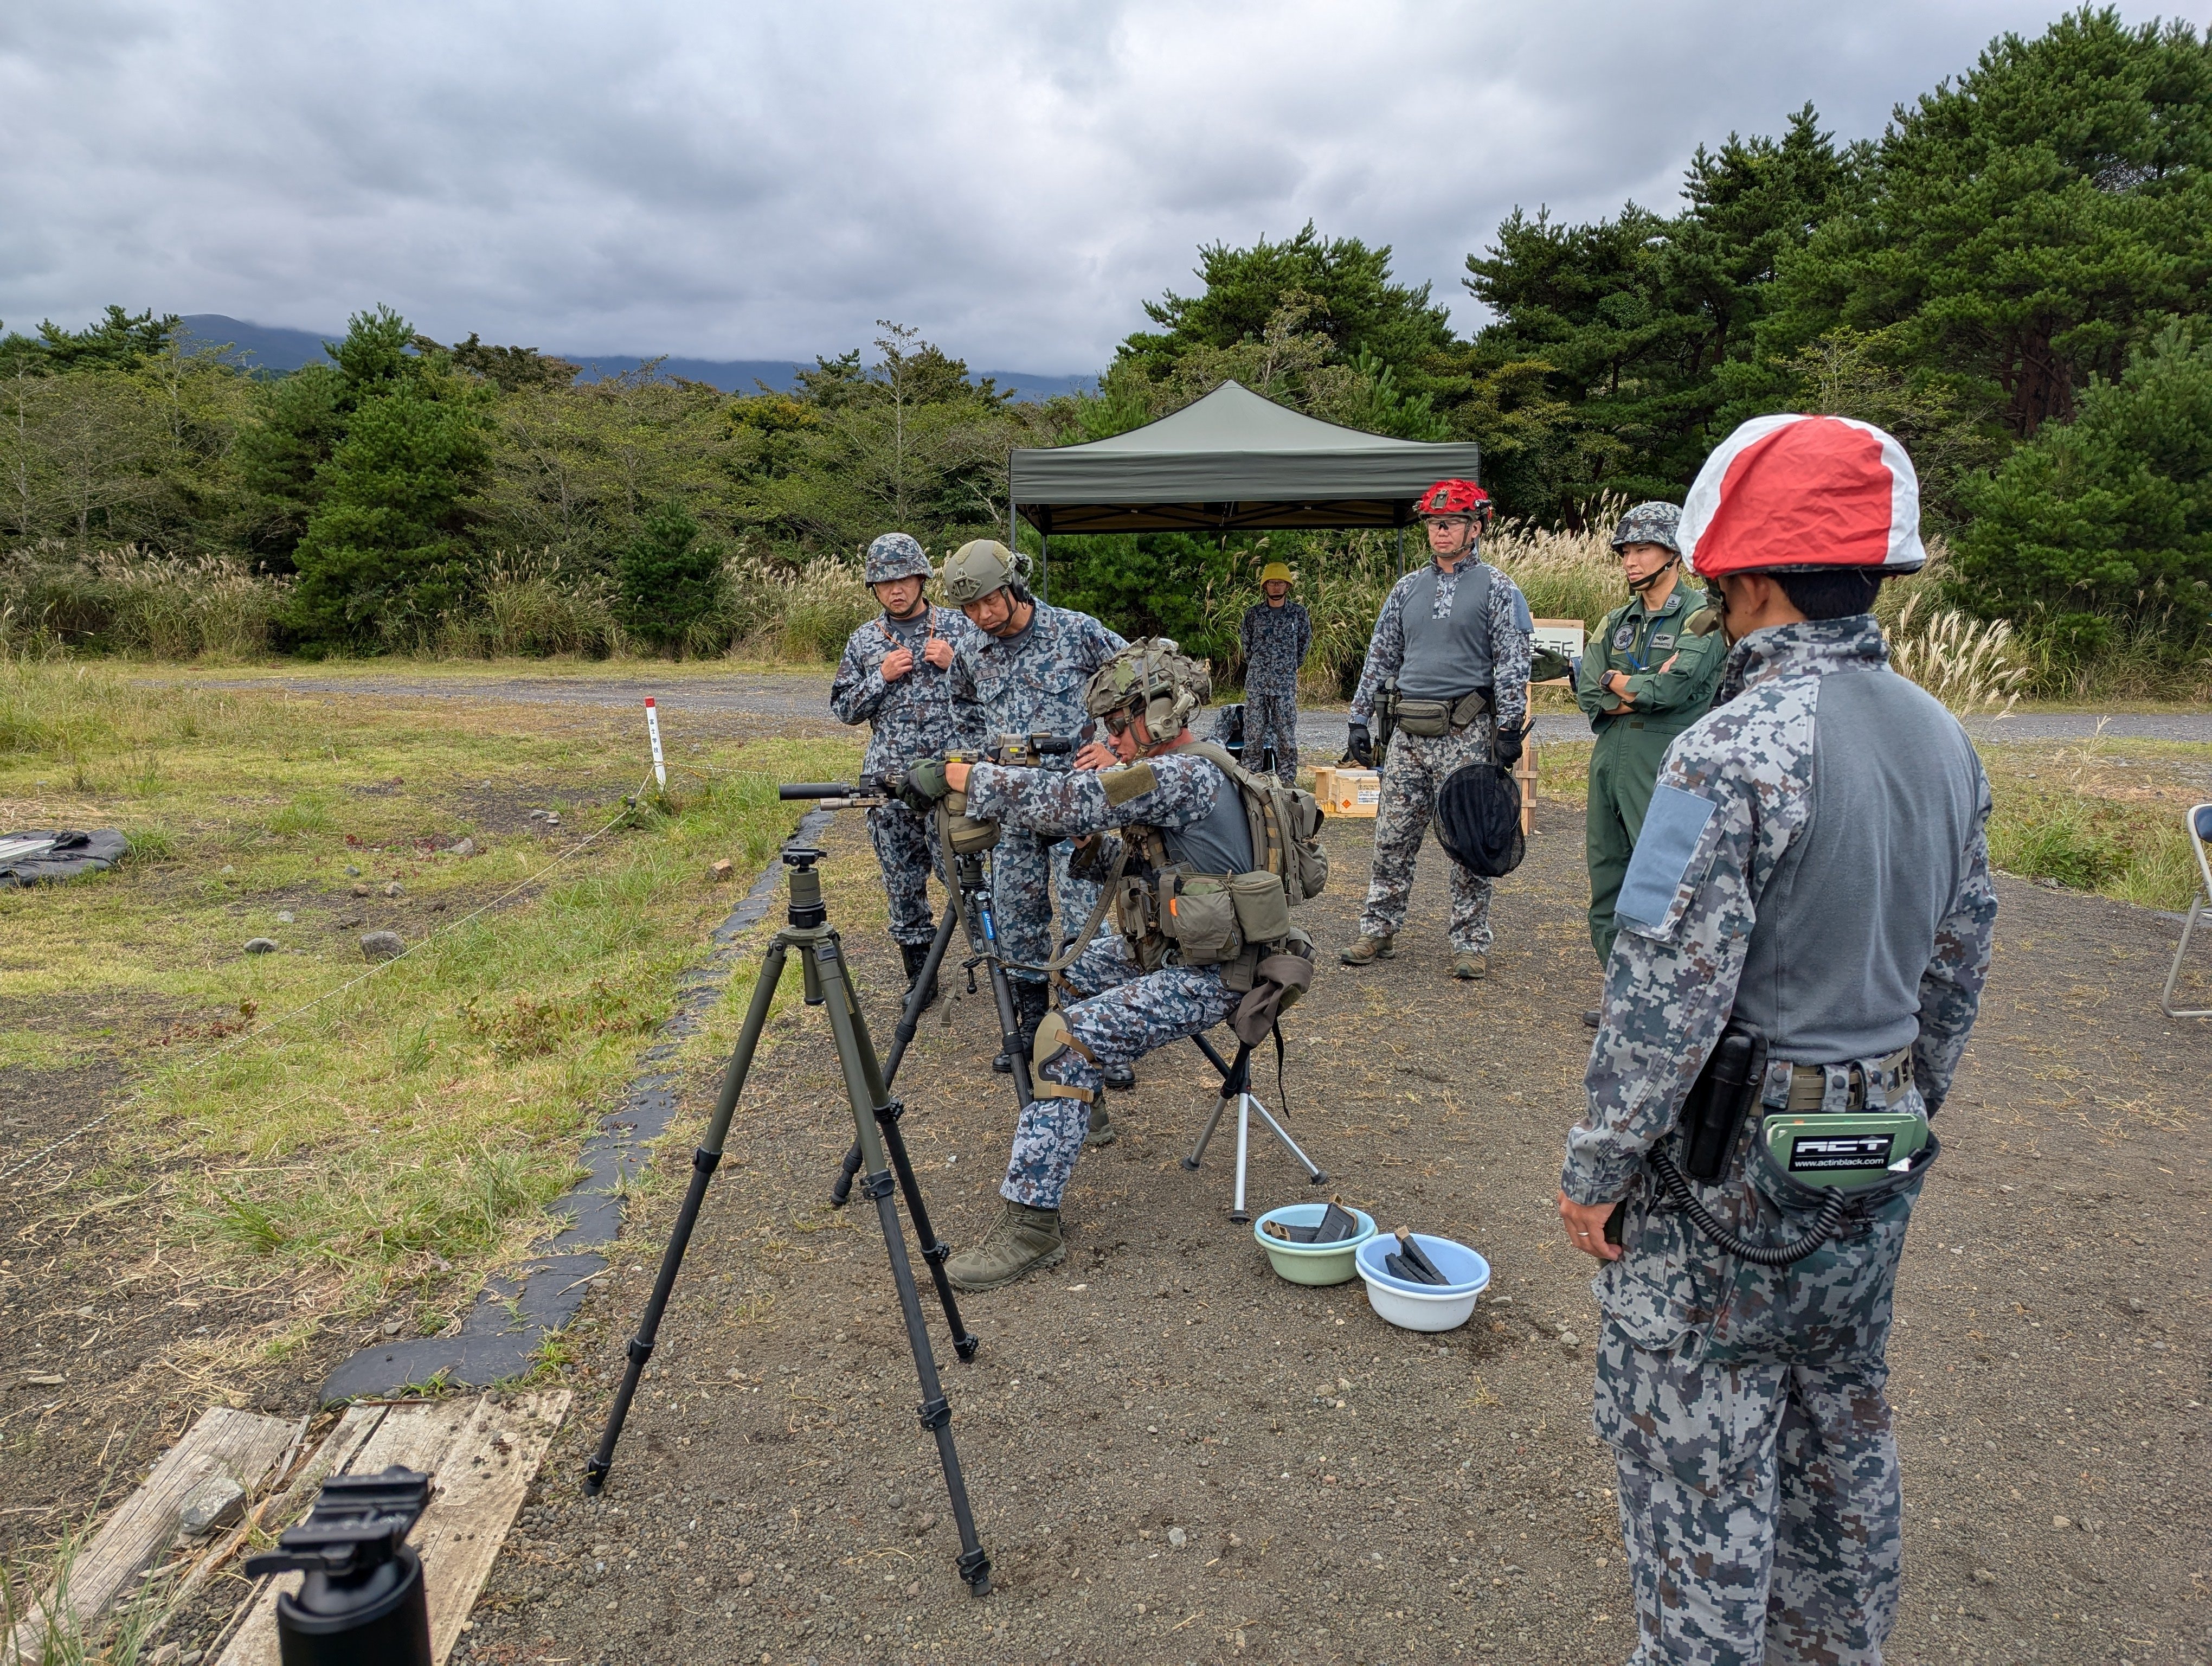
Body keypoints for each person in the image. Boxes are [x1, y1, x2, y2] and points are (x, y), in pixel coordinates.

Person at [1555, 413, 1996, 1666]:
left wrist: (1593, 1166)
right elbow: (1957, 969)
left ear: (1741, 576)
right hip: (1875, 1142)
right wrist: (1898, 1107)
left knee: (1694, 1438)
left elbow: (1659, 1000)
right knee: (1839, 1413)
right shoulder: (1944, 740)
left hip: (1725, 1168)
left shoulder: (1726, 750)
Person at [929, 640, 1310, 1290]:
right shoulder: (1184, 775)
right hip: (1182, 951)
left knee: (1062, 1038)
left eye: (1118, 723)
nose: (1112, 738)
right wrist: (1091, 848)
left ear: (1159, 712)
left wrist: (964, 777)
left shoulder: (1181, 774)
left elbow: (1074, 801)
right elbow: (1156, 879)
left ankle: (1031, 1227)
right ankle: (1083, 1111)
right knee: (1070, 972)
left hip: (1216, 976)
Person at [940, 539, 1129, 1093]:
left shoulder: (1076, 632)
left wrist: (1117, 748)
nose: (981, 617)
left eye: (989, 603)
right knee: (1017, 920)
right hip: (1013, 813)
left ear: (1014, 585)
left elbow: (1141, 683)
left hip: (1077, 807)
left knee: (1088, 927)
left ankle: (1101, 1037)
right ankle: (1026, 1030)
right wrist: (981, 759)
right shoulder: (974, 652)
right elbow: (964, 710)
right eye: (969, 610)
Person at [1340, 478, 1533, 981]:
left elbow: (1512, 662)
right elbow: (1381, 655)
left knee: (1470, 839)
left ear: (1475, 528)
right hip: (1408, 733)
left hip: (1466, 730)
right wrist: (1359, 719)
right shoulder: (1406, 589)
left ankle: (1470, 941)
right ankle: (1378, 928)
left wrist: (1510, 726)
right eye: (1432, 523)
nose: (1439, 532)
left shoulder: (1498, 588)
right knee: (1391, 836)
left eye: (1449, 523)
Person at [1576, 501, 1729, 1022]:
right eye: (1625, 551)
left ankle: (1672, 994)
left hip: (1666, 757)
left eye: (1643, 549)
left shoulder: (1703, 615)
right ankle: (1621, 991)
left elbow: (1673, 687)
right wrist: (1618, 687)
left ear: (1674, 555)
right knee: (1608, 873)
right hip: (1610, 755)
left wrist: (1622, 684)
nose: (1630, 561)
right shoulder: (1615, 620)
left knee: (1663, 876)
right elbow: (1587, 683)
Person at [829, 533, 977, 1006]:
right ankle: (921, 977)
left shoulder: (958, 626)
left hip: (951, 779)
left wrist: (957, 665)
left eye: (904, 579)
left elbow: (996, 691)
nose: (896, 589)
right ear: (874, 587)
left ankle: (998, 964)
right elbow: (844, 709)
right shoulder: (865, 640)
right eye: (885, 582)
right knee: (901, 880)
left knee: (967, 877)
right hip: (889, 782)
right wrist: (881, 676)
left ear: (921, 578)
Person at [1238, 560, 1312, 784]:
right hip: (1257, 685)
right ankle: (1250, 779)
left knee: (1286, 737)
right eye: (1272, 583)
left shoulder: (1298, 614)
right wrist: (1261, 667)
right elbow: (1246, 645)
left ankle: (1287, 780)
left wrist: (1289, 667)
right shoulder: (1254, 615)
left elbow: (1304, 643)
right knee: (1253, 736)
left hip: (1285, 686)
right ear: (1265, 587)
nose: (1276, 587)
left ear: (1288, 586)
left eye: (1281, 583)